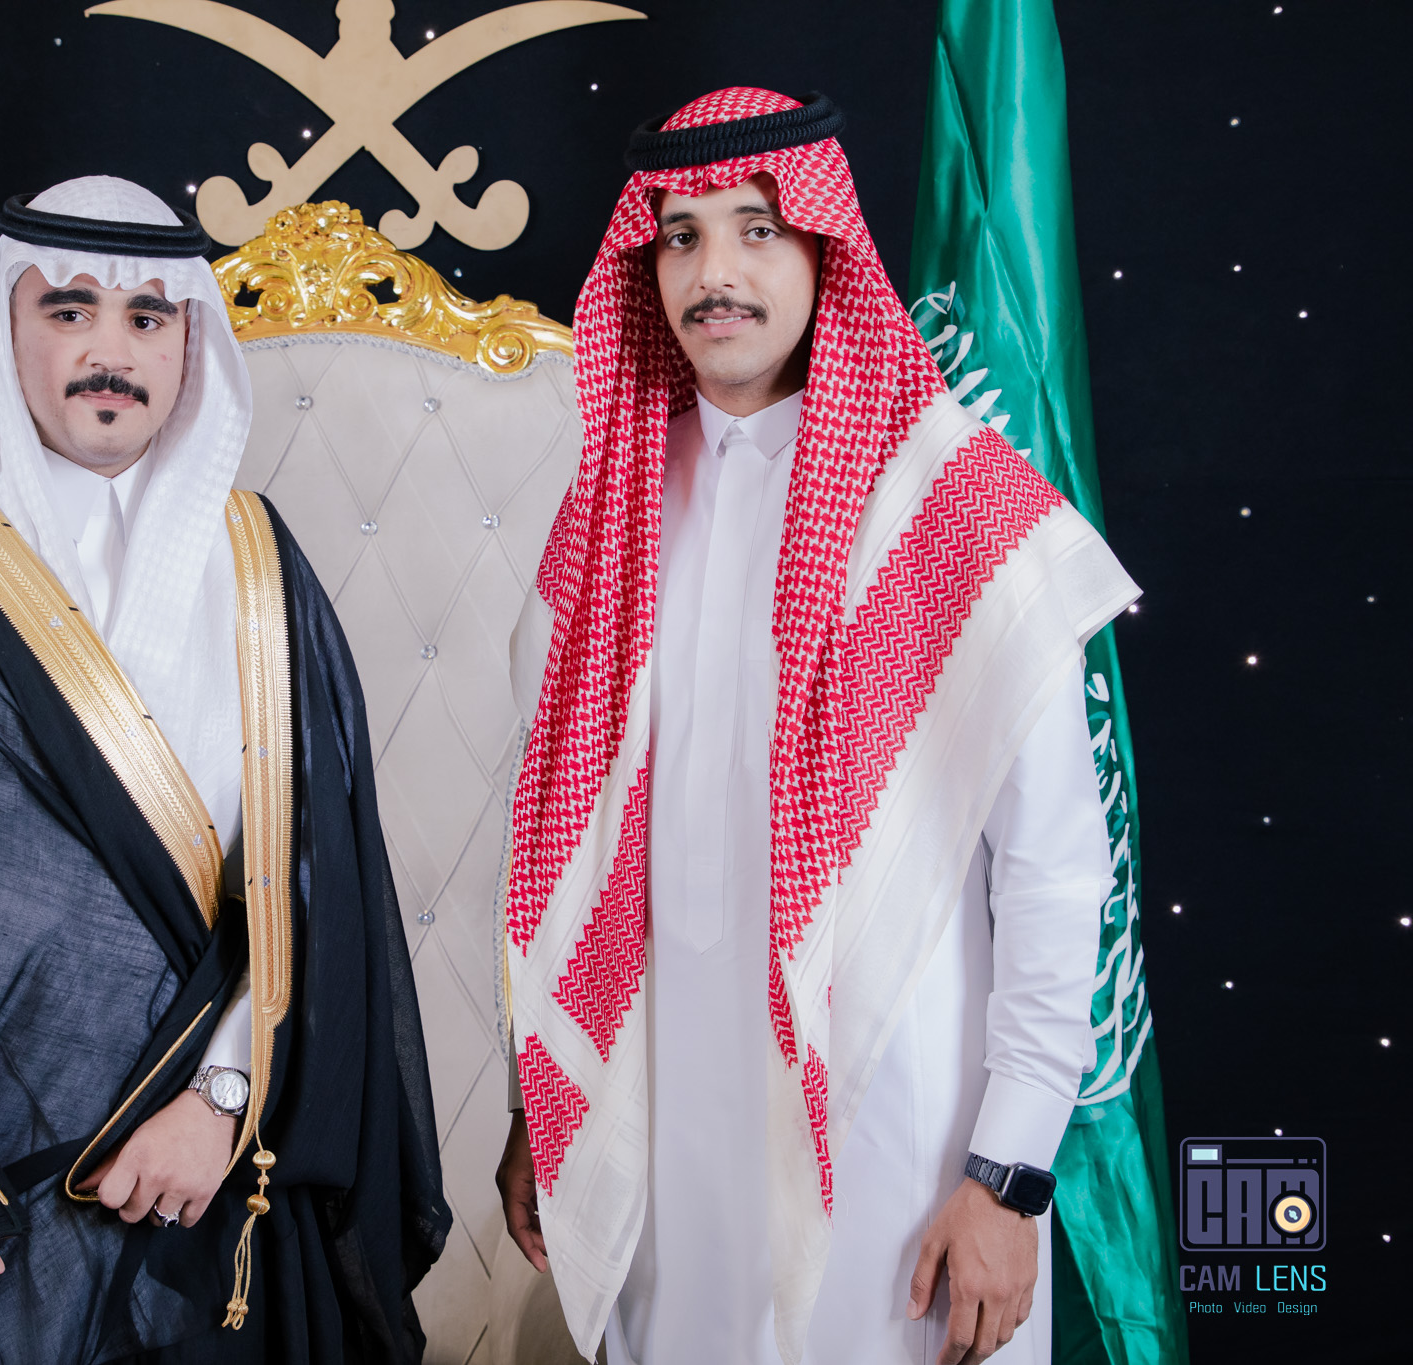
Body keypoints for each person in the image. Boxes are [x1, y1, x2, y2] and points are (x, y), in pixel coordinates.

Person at [0, 176, 448, 1365]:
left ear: (187, 345)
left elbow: (318, 884)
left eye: (145, 318)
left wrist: (220, 1102)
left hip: (210, 1173)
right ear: (8, 328)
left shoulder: (260, 565)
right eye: (67, 310)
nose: (107, 353)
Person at [493, 90, 1137, 1365]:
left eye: (755, 230)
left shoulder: (955, 506)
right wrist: (542, 1105)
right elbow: (557, 843)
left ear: (823, 250)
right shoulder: (610, 513)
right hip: (663, 1138)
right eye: (679, 238)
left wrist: (1008, 1174)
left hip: (904, 1156)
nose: (712, 275)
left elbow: (1058, 872)